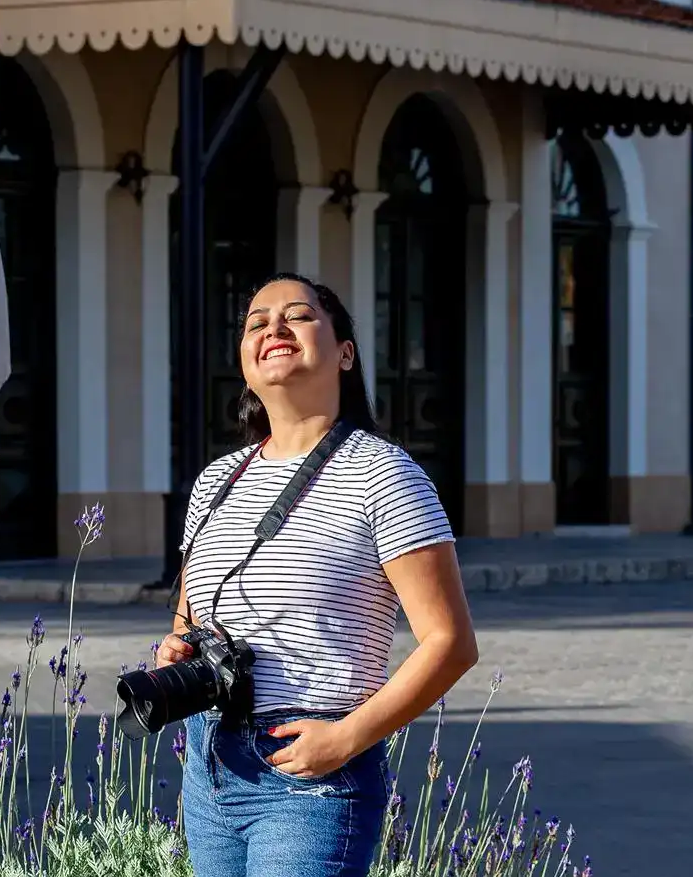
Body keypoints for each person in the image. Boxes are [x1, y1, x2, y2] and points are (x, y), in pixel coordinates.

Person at [156, 273, 478, 877]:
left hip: (312, 778)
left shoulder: (384, 475)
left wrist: (347, 739)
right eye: (256, 322)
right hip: (209, 768)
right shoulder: (215, 481)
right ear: (246, 363)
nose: (273, 328)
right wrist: (176, 650)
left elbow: (452, 643)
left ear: (345, 353)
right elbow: (191, 615)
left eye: (297, 316)